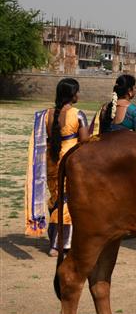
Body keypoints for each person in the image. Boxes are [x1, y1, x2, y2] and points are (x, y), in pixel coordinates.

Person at [24, 79, 91, 256]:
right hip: (69, 160)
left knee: (55, 198)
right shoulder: (77, 114)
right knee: (67, 200)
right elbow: (84, 140)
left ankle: (55, 240)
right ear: (71, 95)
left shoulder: (46, 115)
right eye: (77, 92)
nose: (79, 95)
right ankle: (59, 244)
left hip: (50, 160)